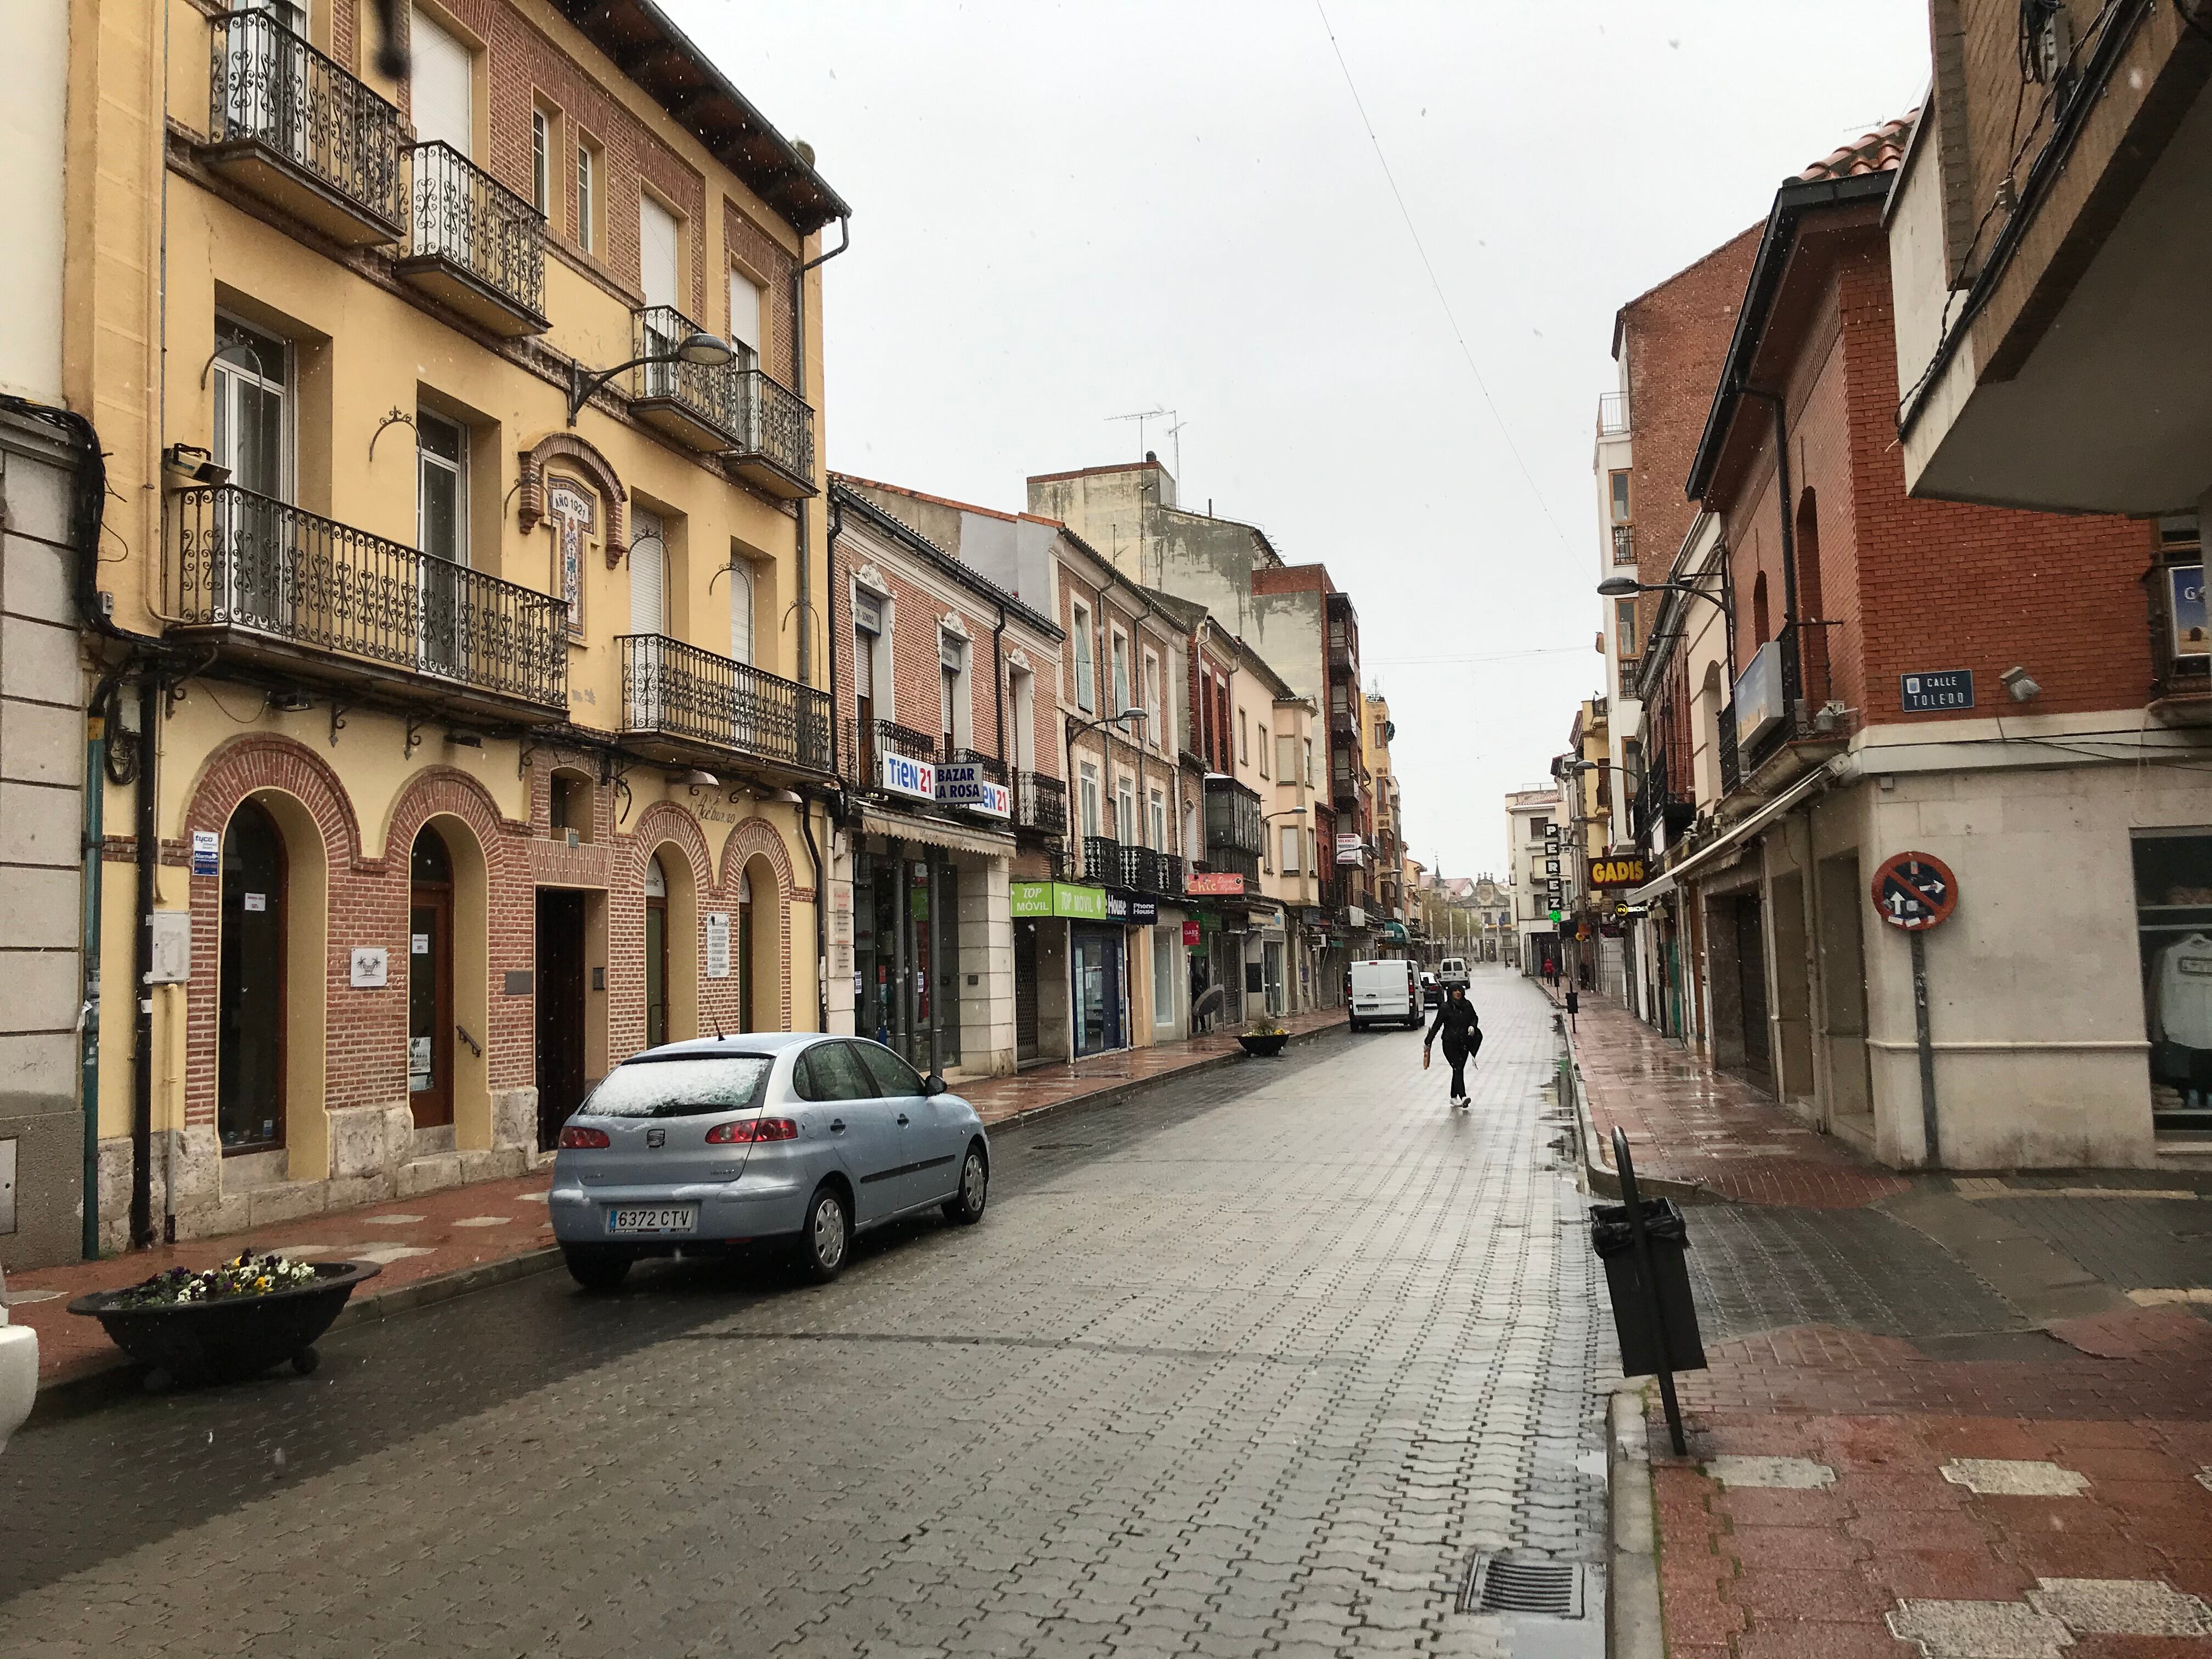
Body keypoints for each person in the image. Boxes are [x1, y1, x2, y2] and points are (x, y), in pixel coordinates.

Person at [1424, 985, 1482, 1109]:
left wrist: (1472, 1026)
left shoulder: (1467, 1005)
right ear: (1450, 993)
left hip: (1465, 1042)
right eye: (1455, 991)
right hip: (1449, 1043)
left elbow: (1474, 1017)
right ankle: (1463, 1096)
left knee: (1458, 1069)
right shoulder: (1446, 1008)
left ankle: (1453, 1096)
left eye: (1460, 991)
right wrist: (1428, 1042)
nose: (1458, 993)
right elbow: (1437, 1025)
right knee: (1457, 1067)